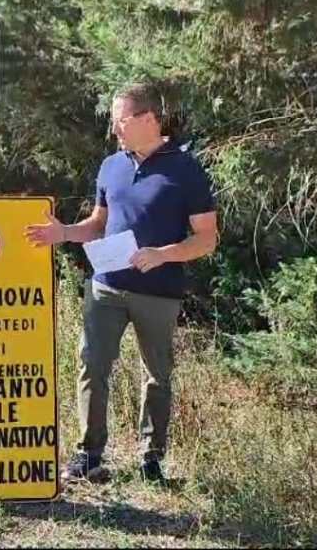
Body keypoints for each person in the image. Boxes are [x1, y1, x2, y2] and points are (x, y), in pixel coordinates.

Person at [25, 82, 218, 483]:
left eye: (121, 121)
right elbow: (97, 225)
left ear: (149, 119)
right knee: (91, 364)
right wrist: (64, 233)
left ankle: (151, 460)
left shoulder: (186, 169)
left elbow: (206, 238)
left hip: (158, 292)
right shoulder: (111, 166)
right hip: (106, 287)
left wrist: (163, 254)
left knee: (157, 375)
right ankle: (88, 455)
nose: (114, 130)